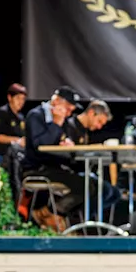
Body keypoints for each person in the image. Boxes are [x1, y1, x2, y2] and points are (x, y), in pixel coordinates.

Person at [21, 86, 82, 228]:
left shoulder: (64, 120)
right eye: (67, 108)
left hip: (57, 167)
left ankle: (47, 213)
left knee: (91, 185)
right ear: (56, 102)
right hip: (37, 168)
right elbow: (40, 146)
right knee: (83, 186)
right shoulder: (36, 115)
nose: (68, 113)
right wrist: (56, 123)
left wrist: (68, 144)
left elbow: (62, 140)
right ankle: (49, 215)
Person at [53, 99, 121, 217]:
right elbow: (66, 153)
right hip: (63, 170)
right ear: (91, 113)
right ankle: (61, 214)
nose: (99, 127)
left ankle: (84, 219)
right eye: (99, 121)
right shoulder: (68, 126)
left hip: (80, 171)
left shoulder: (84, 132)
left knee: (115, 193)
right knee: (97, 188)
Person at [0, 83, 27, 162]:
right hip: (0, 155)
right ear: (9, 97)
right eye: (18, 98)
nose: (21, 102)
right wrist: (18, 140)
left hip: (15, 155)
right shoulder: (1, 112)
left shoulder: (21, 117)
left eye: (23, 99)